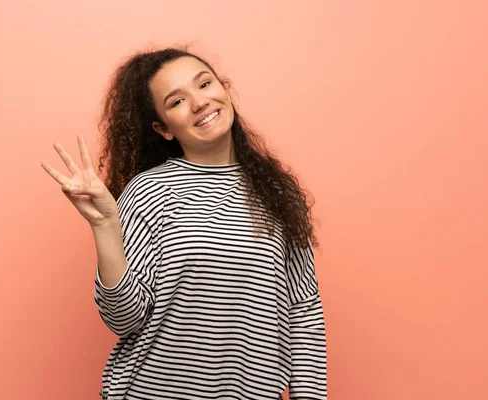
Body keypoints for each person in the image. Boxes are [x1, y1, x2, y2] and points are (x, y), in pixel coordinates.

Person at [41, 46, 327, 400]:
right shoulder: (150, 190)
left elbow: (304, 312)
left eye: (204, 84)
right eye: (176, 102)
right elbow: (124, 320)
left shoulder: (277, 192)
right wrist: (104, 227)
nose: (199, 103)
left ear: (224, 89)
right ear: (163, 129)